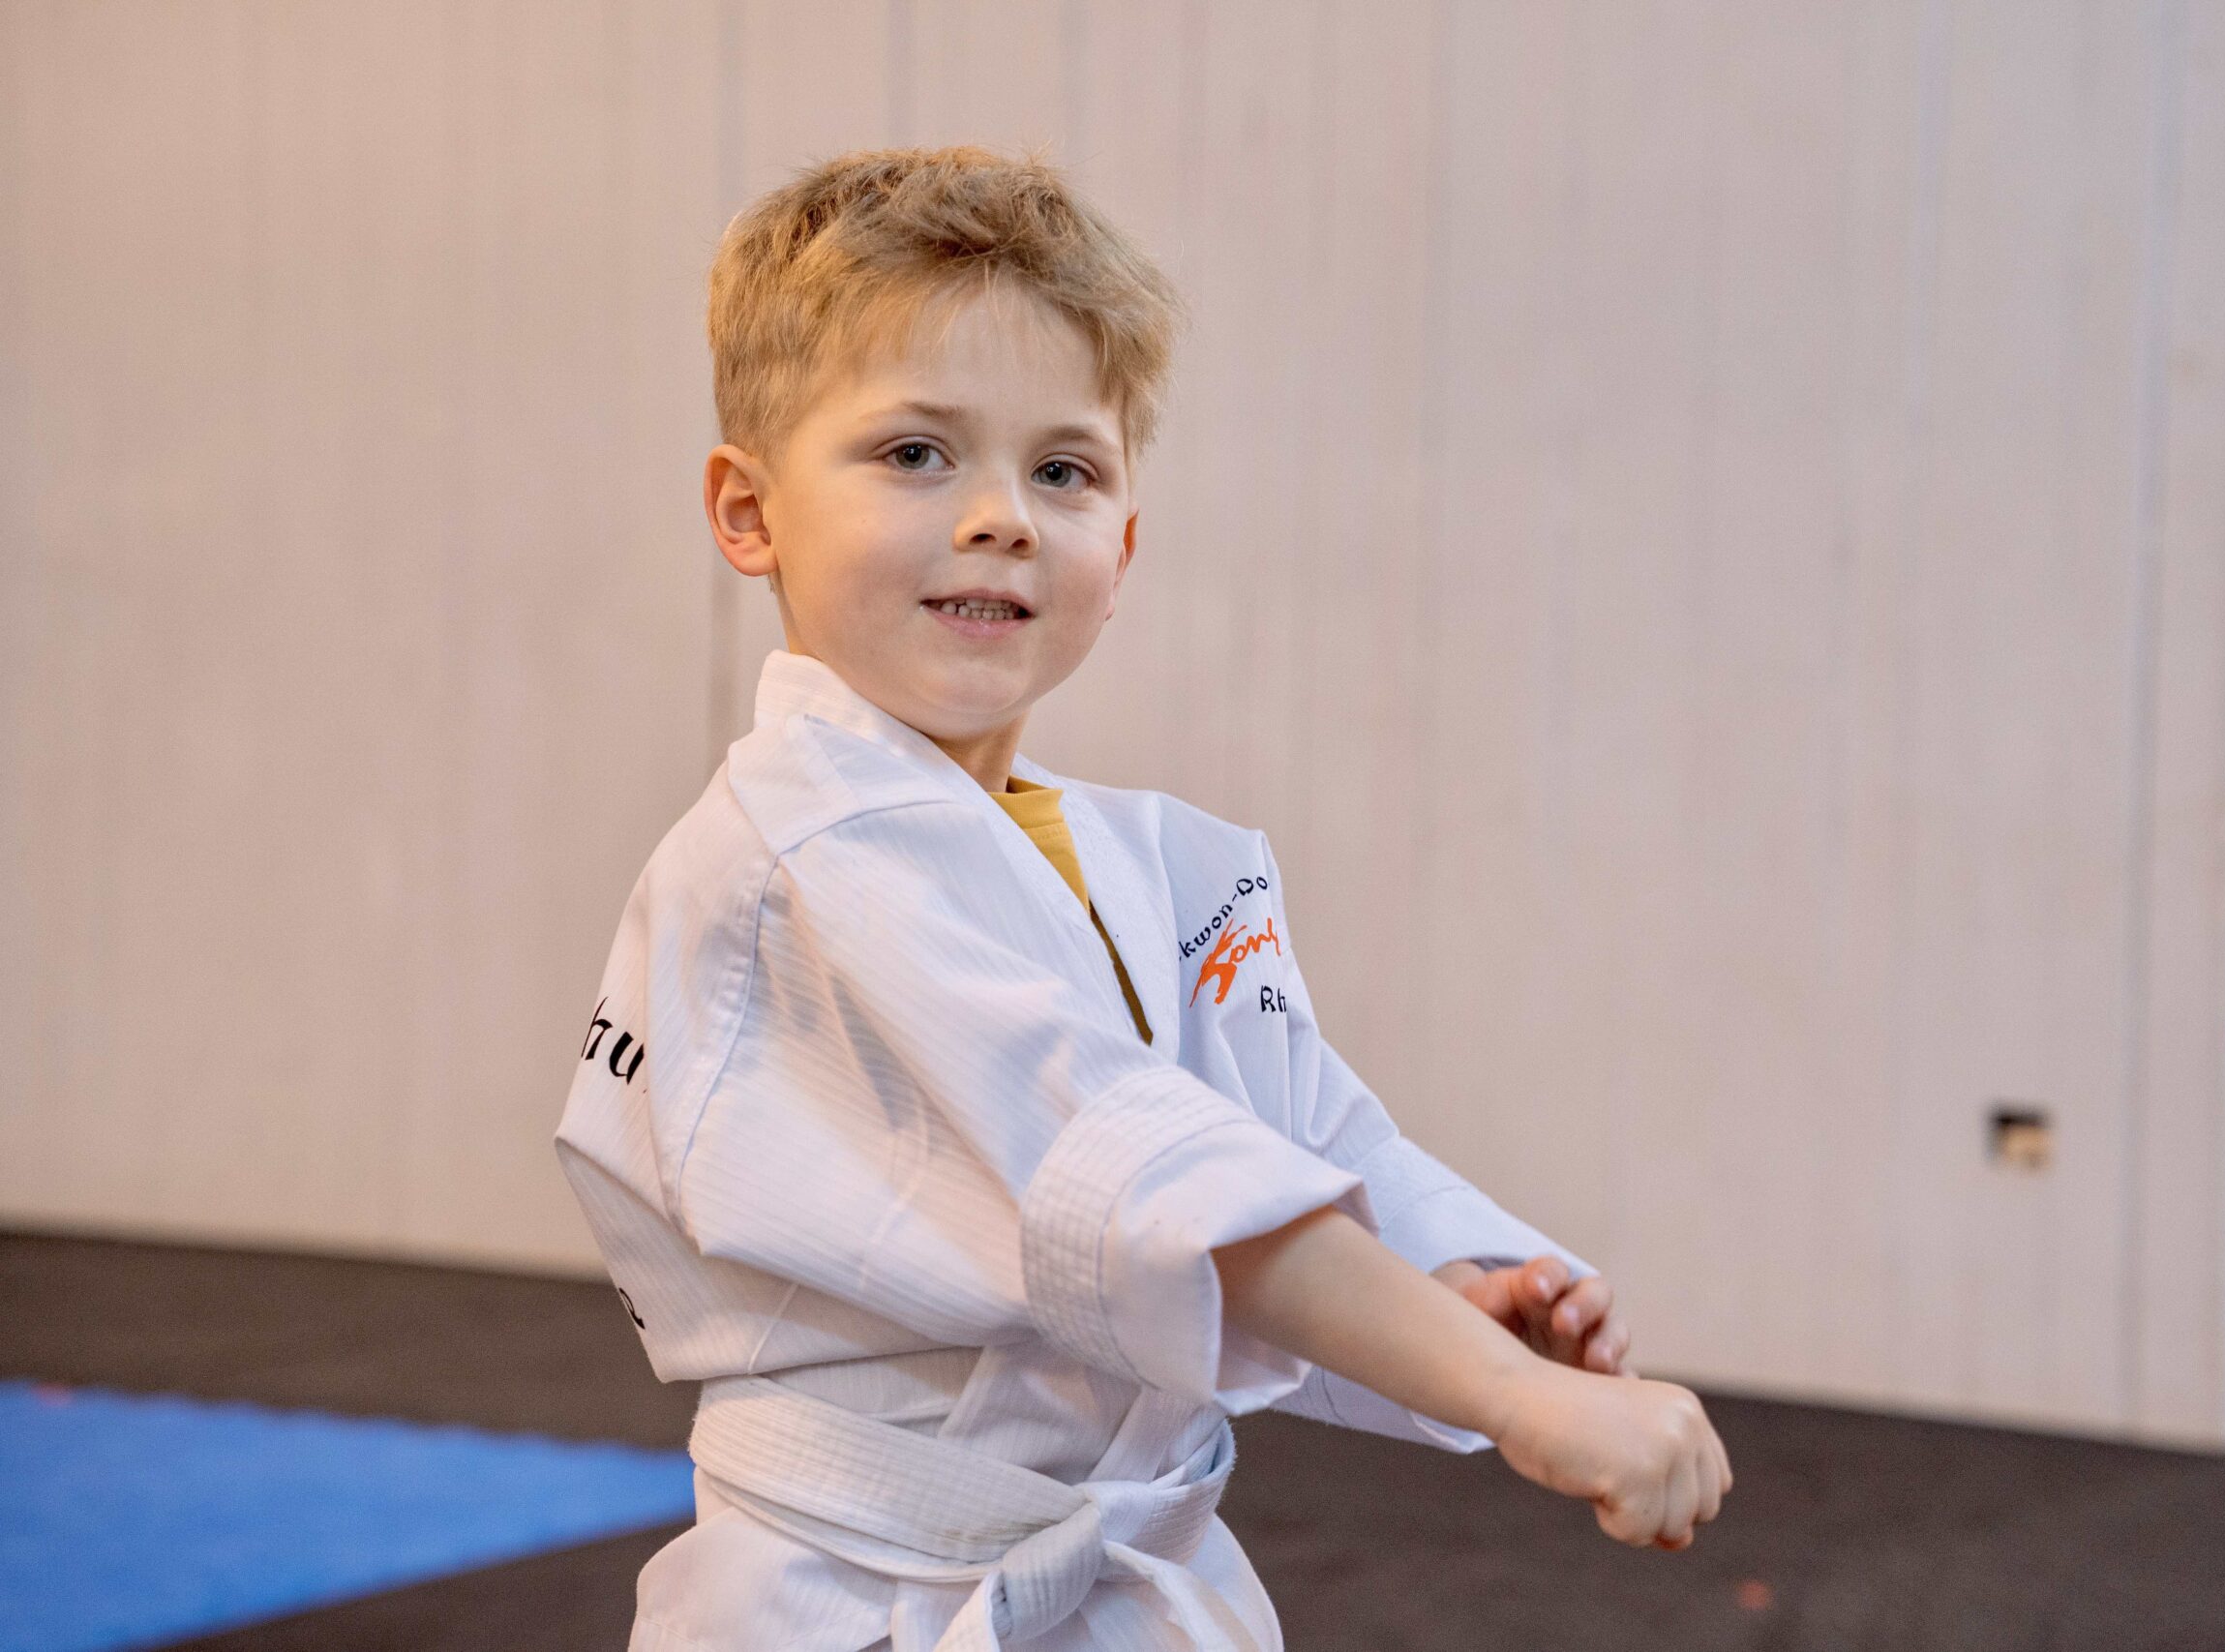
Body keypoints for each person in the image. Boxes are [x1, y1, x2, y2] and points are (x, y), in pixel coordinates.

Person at [556, 143, 1730, 1652]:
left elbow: (1302, 1138)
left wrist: (1462, 1284)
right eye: (915, 453)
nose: (1001, 515)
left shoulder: (1147, 863)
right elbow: (1140, 1177)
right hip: (862, 1600)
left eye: (1064, 470)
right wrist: (1507, 1394)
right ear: (749, 511)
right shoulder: (807, 852)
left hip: (1104, 1569)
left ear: (1124, 543)